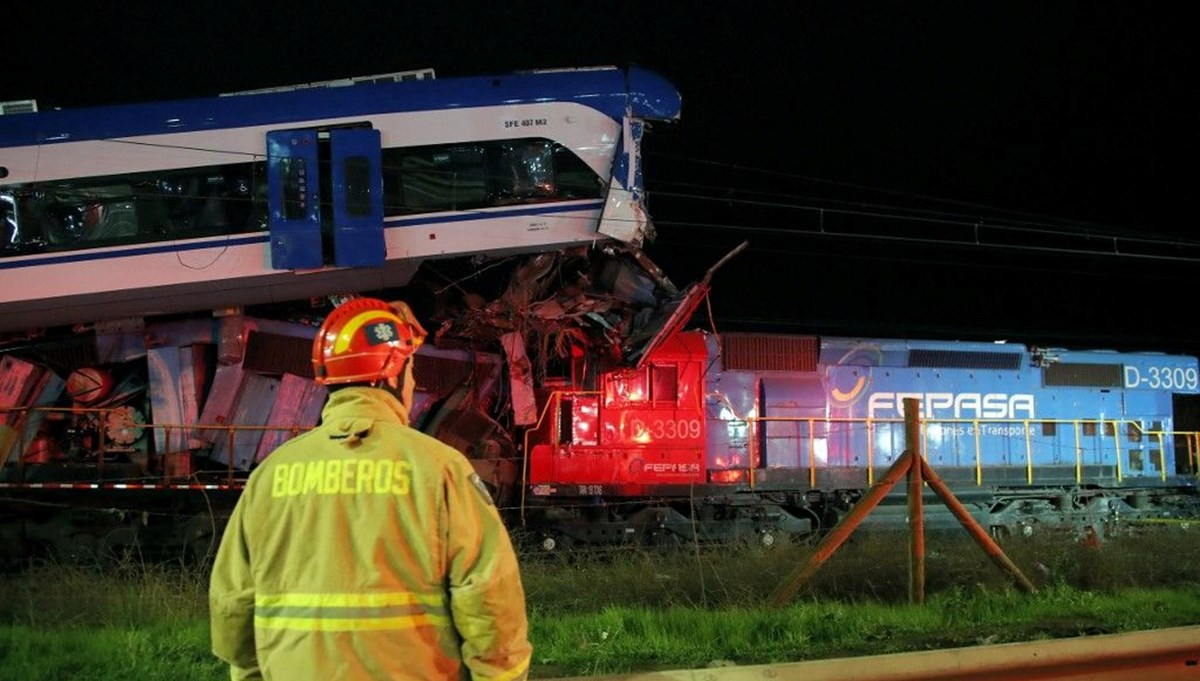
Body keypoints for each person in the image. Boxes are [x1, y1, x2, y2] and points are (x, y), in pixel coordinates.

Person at [209, 297, 532, 681]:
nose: (413, 383)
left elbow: (233, 606)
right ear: (392, 376)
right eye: (411, 370)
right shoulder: (440, 469)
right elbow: (488, 595)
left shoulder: (270, 475)